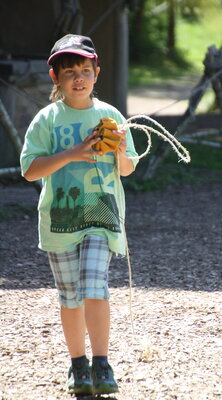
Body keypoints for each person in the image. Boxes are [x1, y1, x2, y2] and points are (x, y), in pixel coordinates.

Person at [20, 34, 138, 396]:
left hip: (101, 214)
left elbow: (129, 168)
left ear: (97, 73)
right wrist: (71, 153)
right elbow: (29, 170)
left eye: (85, 70)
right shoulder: (47, 119)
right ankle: (78, 366)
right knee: (69, 295)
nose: (78, 77)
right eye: (69, 71)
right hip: (60, 219)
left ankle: (102, 363)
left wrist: (118, 150)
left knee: (93, 285)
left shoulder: (111, 116)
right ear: (55, 77)